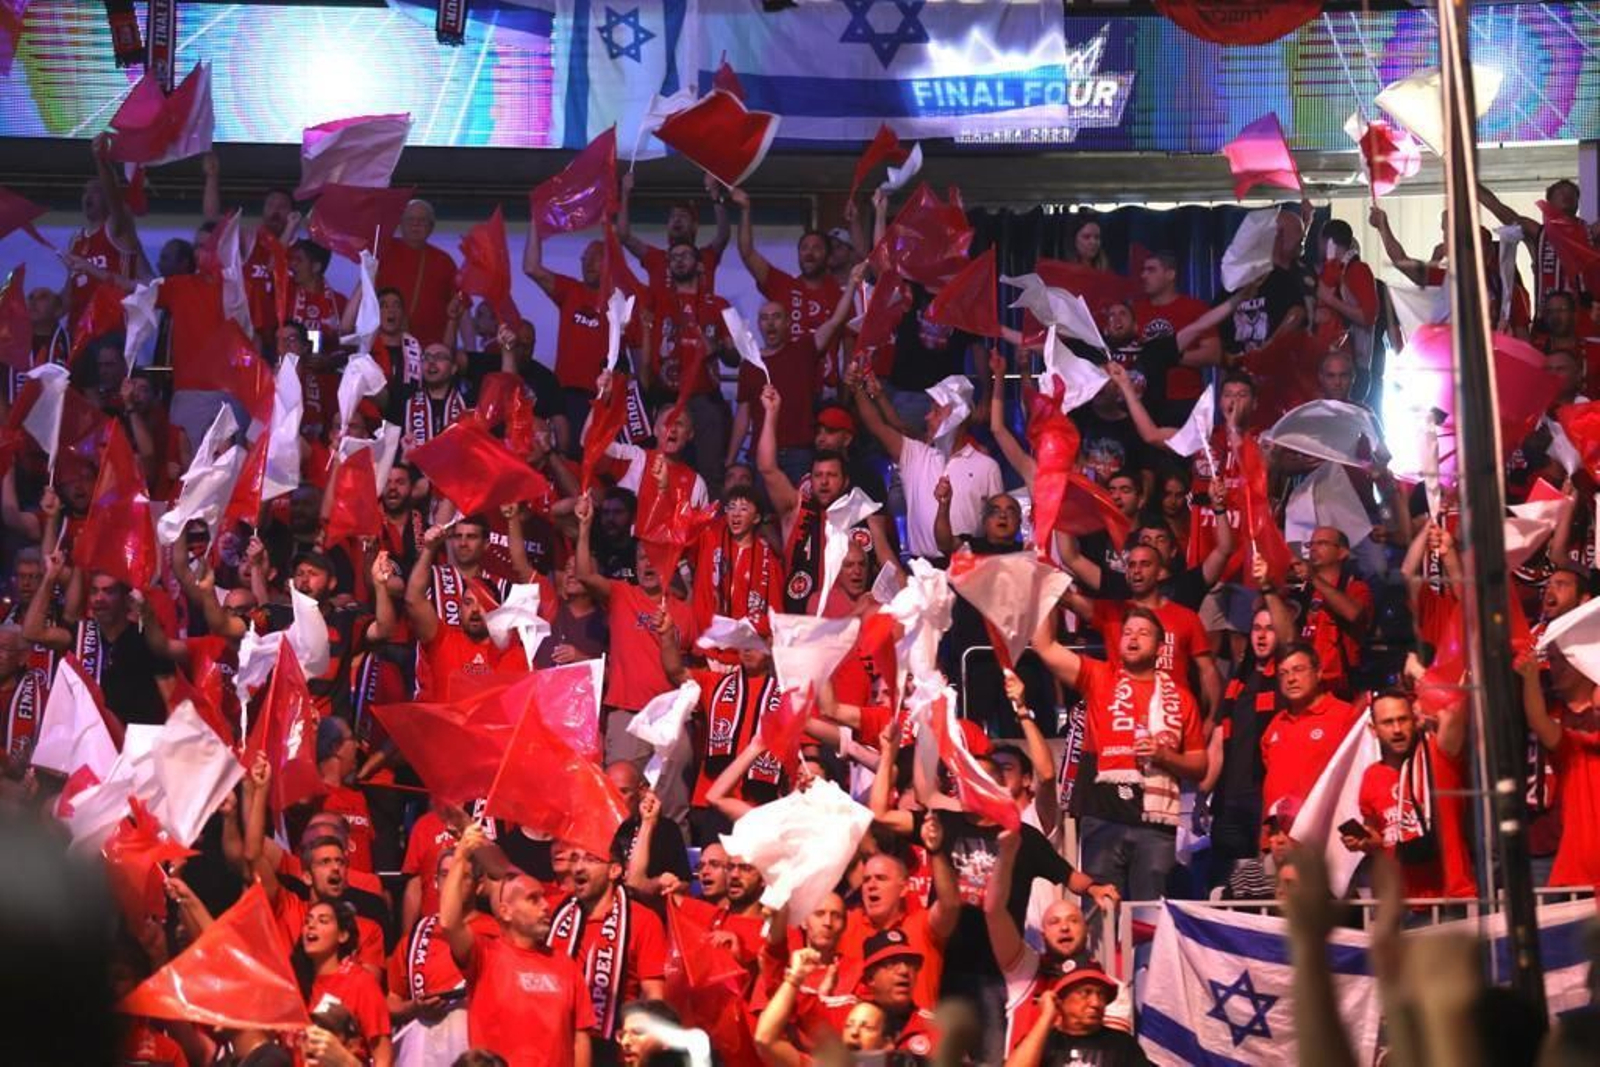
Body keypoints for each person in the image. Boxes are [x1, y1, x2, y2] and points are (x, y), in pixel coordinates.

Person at [1032, 607, 1208, 901]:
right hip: (1102, 817)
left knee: (1149, 917)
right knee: (1100, 914)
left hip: (1155, 825)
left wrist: (1165, 756)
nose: (1133, 638)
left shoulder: (1181, 698)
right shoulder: (1099, 676)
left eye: (1143, 632)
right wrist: (1046, 588)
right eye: (1127, 632)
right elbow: (1045, 646)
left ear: (1161, 648)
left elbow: (1200, 765)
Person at [439, 823, 595, 1067]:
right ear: (506, 911)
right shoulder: (484, 955)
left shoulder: (565, 964)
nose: (545, 906)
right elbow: (448, 922)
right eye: (533, 899)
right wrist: (460, 855)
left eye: (544, 897)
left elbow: (580, 1038)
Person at [1342, 688, 1475, 901]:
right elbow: (1379, 836)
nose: (1397, 729)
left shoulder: (1436, 756)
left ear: (1415, 720)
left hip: (1447, 897)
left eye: (1403, 719)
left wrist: (1421, 685)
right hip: (1397, 902)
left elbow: (1454, 710)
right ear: (1373, 729)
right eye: (1387, 722)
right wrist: (1364, 841)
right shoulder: (1372, 776)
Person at [547, 838, 668, 1051]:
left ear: (614, 870)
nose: (579, 867)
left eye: (590, 859)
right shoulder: (556, 912)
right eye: (575, 859)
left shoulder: (643, 920)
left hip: (613, 1046)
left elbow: (654, 997)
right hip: (556, 1040)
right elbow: (504, 878)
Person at [1255, 642, 1361, 821]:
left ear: (1318, 673)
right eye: (1283, 673)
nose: (1291, 679)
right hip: (1276, 840)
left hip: (1321, 838)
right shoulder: (1275, 724)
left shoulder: (1345, 716)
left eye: (1298, 669)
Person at [295, 899, 394, 1067]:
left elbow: (383, 1059)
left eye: (323, 920)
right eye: (308, 921)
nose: (311, 926)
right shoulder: (297, 983)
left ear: (342, 935)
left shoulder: (361, 982)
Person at [1004, 966, 1150, 1067]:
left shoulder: (1122, 1045)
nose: (1096, 1003)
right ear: (1061, 1000)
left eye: (1101, 995)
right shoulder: (1043, 1042)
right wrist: (1046, 1017)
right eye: (1085, 993)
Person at [376, 199, 458, 346]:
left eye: (422, 220)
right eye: (410, 219)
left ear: (431, 227)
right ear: (400, 223)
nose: (416, 224)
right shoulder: (382, 250)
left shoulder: (444, 261)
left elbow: (459, 309)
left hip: (429, 350)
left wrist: (471, 349)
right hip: (386, 343)